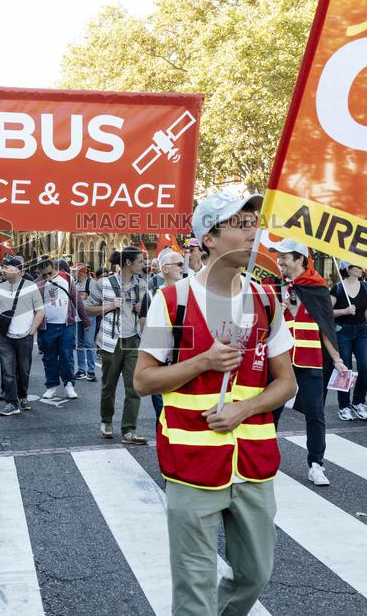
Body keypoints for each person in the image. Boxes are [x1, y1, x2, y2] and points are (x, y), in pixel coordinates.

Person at [134, 189, 297, 616]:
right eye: (240, 225)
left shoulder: (266, 300)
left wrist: (243, 409)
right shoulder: (172, 301)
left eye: (253, 223)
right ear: (208, 237)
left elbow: (286, 383)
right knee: (195, 588)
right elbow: (143, 381)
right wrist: (203, 361)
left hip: (254, 465)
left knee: (255, 574)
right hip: (191, 465)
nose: (252, 232)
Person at [272, 240, 348, 487]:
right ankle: (264, 459)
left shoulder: (317, 288)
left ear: (299, 259)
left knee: (315, 413)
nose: (279, 261)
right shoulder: (275, 286)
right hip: (281, 360)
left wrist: (337, 359)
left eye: (284, 257)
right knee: (271, 410)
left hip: (311, 359)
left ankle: (316, 464)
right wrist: (277, 309)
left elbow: (326, 326)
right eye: (279, 257)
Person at [87, 245, 148, 444]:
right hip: (110, 341)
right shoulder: (104, 283)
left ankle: (129, 430)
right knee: (109, 385)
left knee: (134, 387)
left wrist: (141, 308)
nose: (143, 265)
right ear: (128, 262)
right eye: (140, 261)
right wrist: (110, 306)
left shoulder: (142, 284)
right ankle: (106, 422)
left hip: (133, 340)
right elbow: (87, 309)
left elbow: (145, 313)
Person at [0, 256, 44, 416]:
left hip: (25, 336)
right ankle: (12, 403)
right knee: (8, 371)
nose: (5, 270)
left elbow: (40, 310)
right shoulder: (0, 287)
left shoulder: (31, 286)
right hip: (4, 336)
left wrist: (32, 331)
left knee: (24, 370)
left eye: (9, 268)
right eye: (5, 268)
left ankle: (22, 397)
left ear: (19, 271)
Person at [330, 261, 367, 421]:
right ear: (348, 270)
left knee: (366, 367)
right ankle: (344, 406)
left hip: (362, 331)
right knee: (345, 370)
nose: (361, 270)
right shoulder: (337, 289)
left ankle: (358, 402)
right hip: (342, 331)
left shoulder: (365, 287)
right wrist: (344, 311)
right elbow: (327, 311)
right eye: (358, 267)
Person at [36, 258, 87, 400]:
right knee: (49, 357)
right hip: (47, 327)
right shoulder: (37, 283)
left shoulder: (67, 278)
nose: (47, 277)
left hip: (66, 325)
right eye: (44, 274)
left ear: (55, 268)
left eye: (50, 273)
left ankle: (69, 384)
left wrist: (85, 320)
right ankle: (51, 386)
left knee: (66, 356)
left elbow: (77, 299)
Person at [146, 249, 185, 420]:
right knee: (162, 414)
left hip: (185, 362)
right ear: (165, 269)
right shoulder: (157, 296)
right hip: (163, 362)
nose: (183, 268)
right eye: (179, 264)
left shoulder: (191, 292)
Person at [73, 265, 98, 382]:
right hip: (77, 317)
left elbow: (97, 299)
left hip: (89, 316)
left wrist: (85, 305)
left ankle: (91, 371)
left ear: (82, 273)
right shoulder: (75, 284)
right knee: (79, 344)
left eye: (75, 272)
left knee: (89, 343)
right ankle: (81, 370)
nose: (73, 274)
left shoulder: (92, 283)